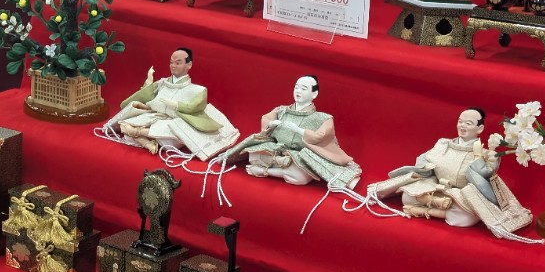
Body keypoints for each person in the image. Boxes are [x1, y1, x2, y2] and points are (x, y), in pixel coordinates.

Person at [366, 108, 536, 240]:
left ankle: (424, 210)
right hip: (434, 187)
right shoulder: (443, 144)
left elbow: (485, 177)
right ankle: (431, 204)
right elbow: (424, 159)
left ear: (480, 128)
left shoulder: (487, 154)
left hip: (460, 194)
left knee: (466, 218)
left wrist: (479, 157)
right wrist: (423, 169)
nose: (462, 126)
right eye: (460, 122)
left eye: (468, 123)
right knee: (407, 196)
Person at [213, 75, 361, 190]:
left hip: (298, 155)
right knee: (253, 155)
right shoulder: (281, 110)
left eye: (303, 88)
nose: (298, 91)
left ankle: (264, 171)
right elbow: (266, 123)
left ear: (314, 94)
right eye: (296, 87)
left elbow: (321, 137)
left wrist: (300, 131)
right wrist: (271, 125)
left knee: (301, 176)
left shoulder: (323, 118)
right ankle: (276, 164)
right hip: (276, 149)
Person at [103, 47, 240, 160]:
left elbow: (195, 107)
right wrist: (149, 80)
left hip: (173, 122)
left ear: (189, 65)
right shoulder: (162, 83)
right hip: (156, 116)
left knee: (174, 132)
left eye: (178, 62)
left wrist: (176, 105)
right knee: (124, 124)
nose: (173, 66)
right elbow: (147, 96)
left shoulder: (197, 90)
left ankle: (140, 134)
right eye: (171, 62)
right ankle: (147, 142)